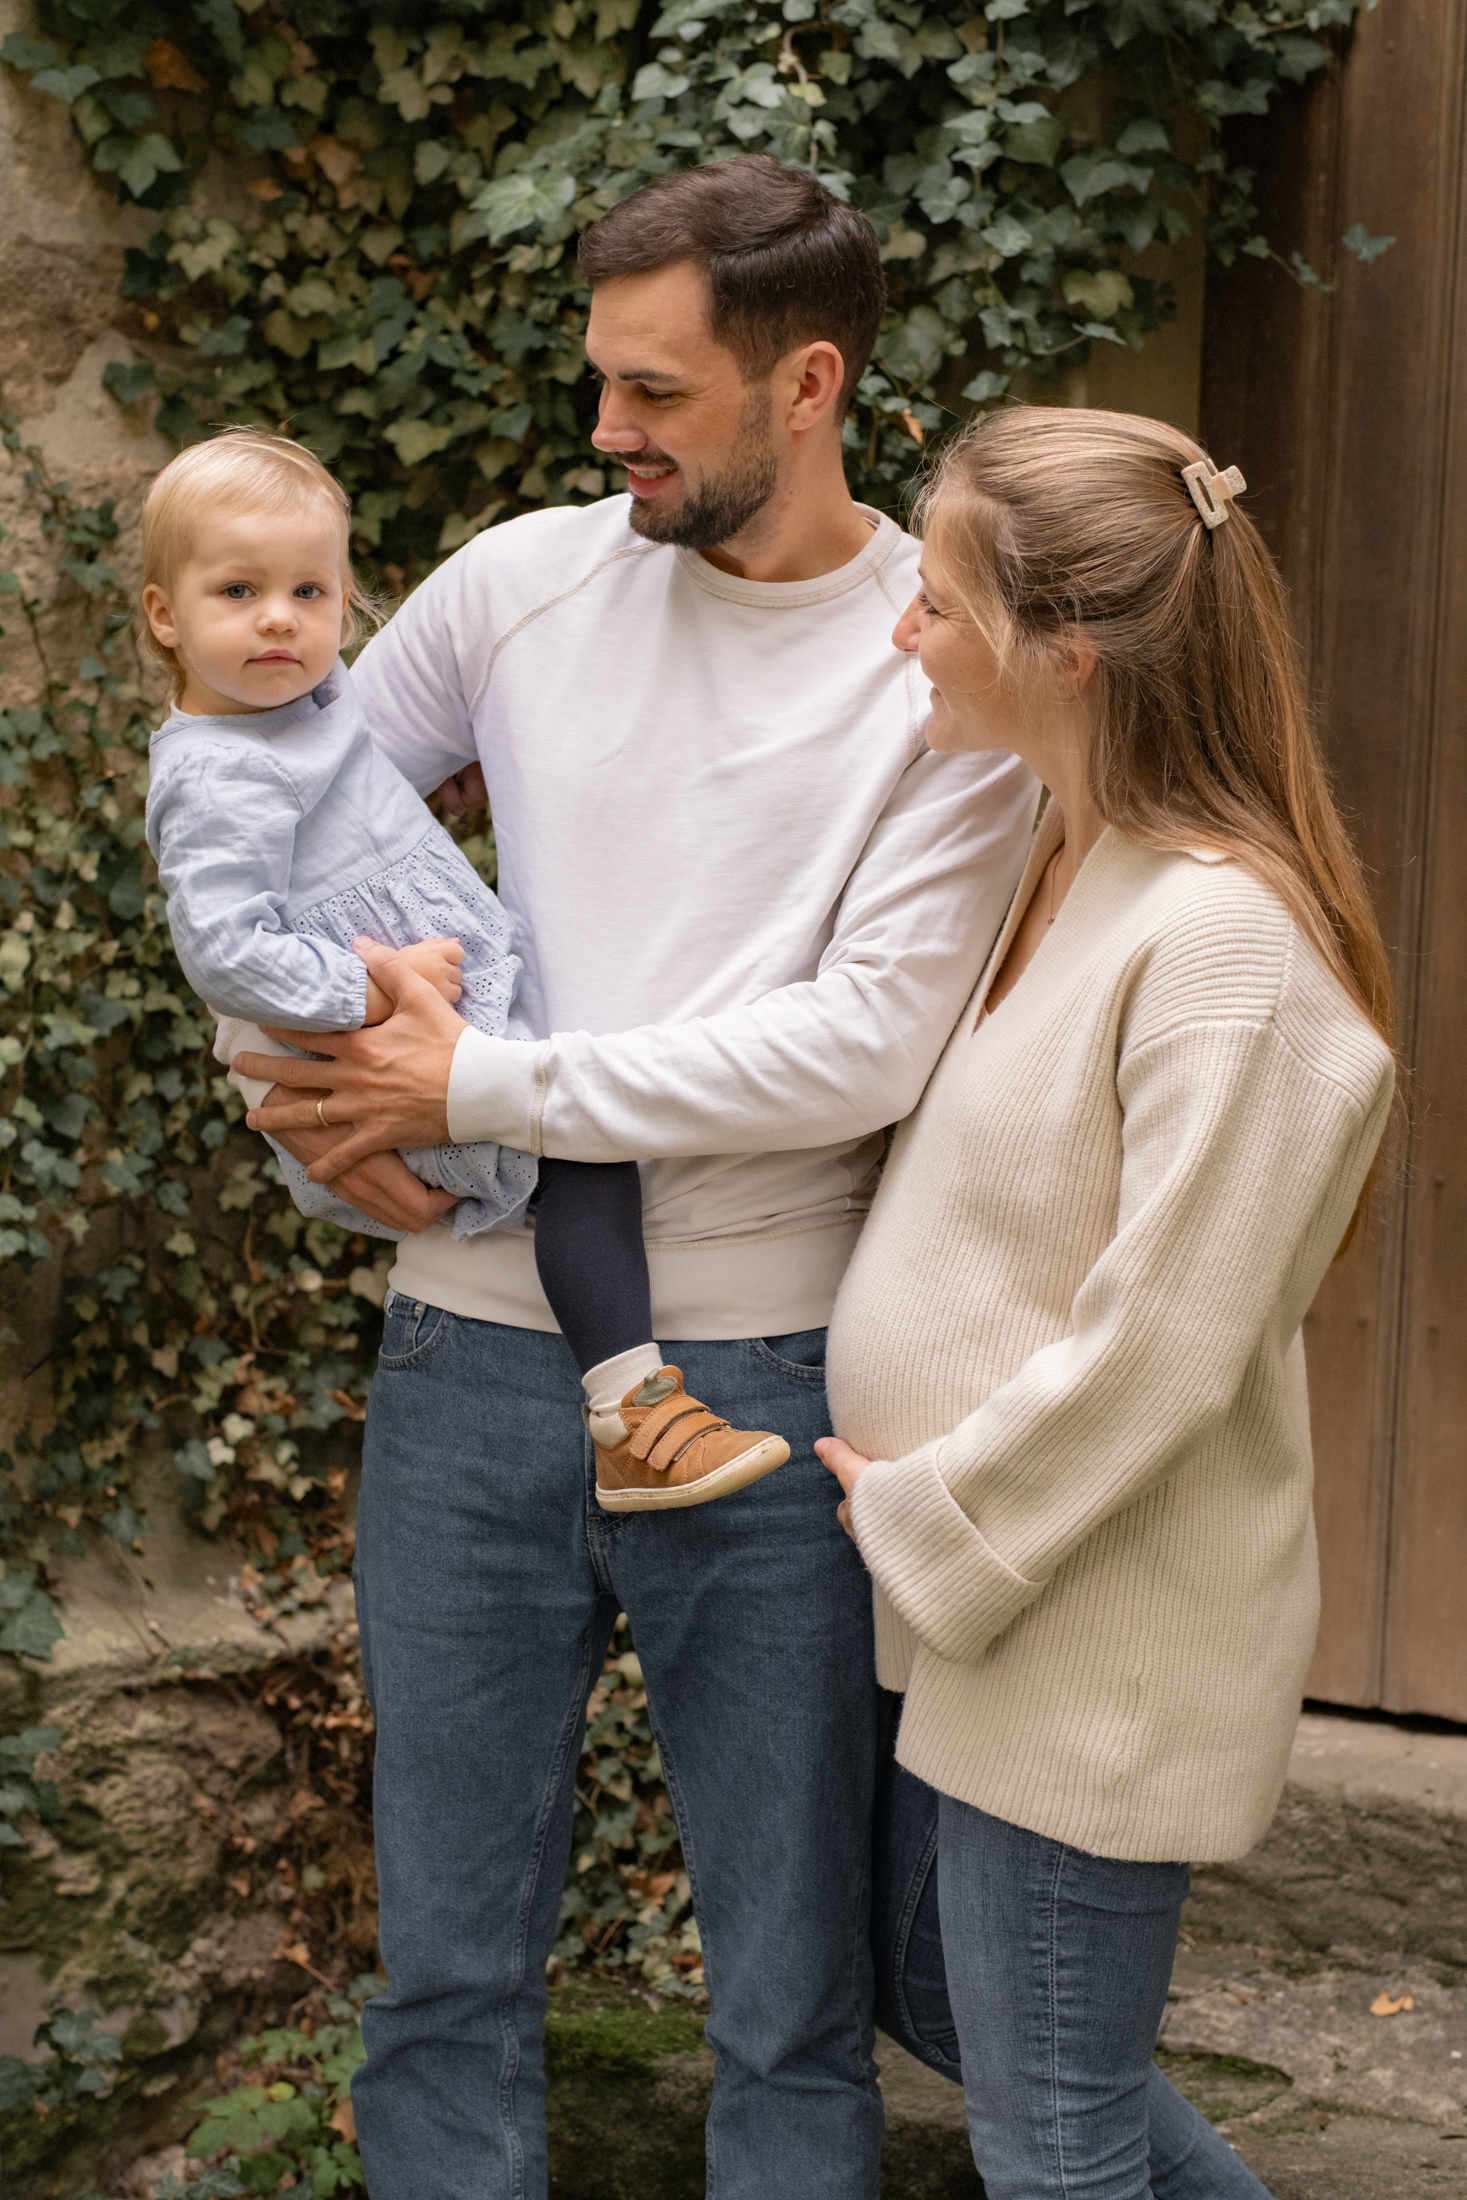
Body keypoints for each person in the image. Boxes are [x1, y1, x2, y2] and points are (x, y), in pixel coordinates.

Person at [226, 156, 1040, 2198]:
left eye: (656, 392)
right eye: (600, 378)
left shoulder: (942, 663)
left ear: (808, 381)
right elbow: (281, 825)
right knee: (445, 1974)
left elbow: (863, 1041)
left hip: (770, 1372)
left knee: (784, 1998)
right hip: (466, 1376)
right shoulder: (521, 583)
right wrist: (303, 1091)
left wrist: (487, 1075)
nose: (607, 431)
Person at [816, 406, 1397, 2200]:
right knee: (942, 2001)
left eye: (933, 602)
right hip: (985, 1624)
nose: (900, 632)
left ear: (1061, 649)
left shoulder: (1219, 943)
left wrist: (928, 1512)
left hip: (1084, 1635)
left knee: (1051, 2136)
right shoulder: (1054, 857)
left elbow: (1160, 1343)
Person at [141, 430, 789, 1511]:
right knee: (585, 1147)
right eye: (238, 590)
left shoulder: (304, 705)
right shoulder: (217, 778)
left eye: (311, 590)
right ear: (167, 615)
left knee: (580, 1140)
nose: (279, 619)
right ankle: (630, 1410)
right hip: (390, 1036)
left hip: (435, 1019)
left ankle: (626, 1401)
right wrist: (372, 991)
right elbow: (223, 948)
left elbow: (367, 783)